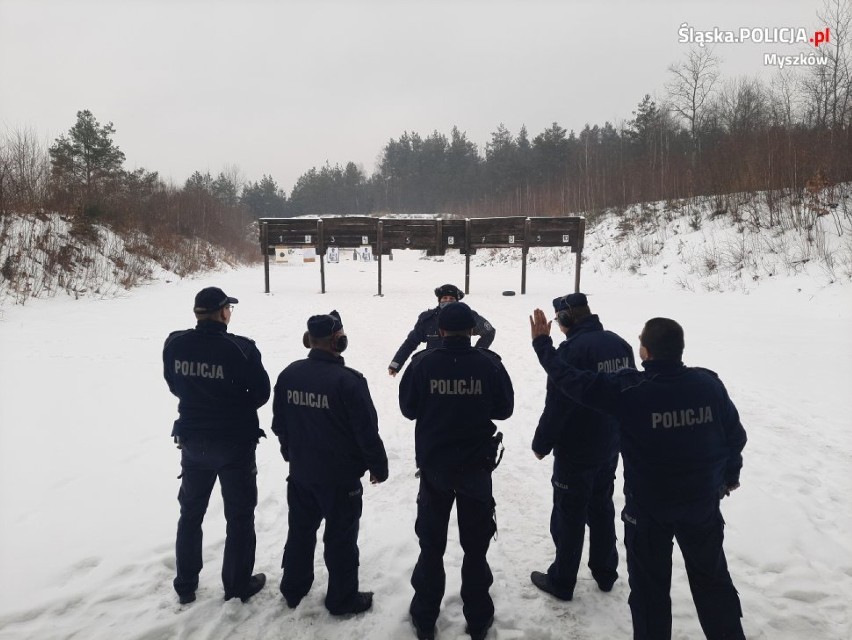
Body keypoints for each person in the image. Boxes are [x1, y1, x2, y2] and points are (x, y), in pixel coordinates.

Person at [530, 310, 747, 640]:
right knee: (713, 584)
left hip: (649, 512)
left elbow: (571, 381)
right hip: (702, 505)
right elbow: (735, 436)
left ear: (644, 352)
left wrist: (543, 344)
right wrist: (729, 475)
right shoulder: (708, 384)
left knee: (649, 592)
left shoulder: (629, 390)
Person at [399, 302, 514, 640]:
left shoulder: (423, 364)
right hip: (476, 471)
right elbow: (504, 408)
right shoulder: (489, 364)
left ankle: (424, 616)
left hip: (435, 469)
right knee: (476, 549)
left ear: (442, 331)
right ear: (472, 332)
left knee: (431, 546)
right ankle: (478, 619)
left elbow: (408, 408)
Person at [271, 310, 389, 616]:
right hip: (340, 481)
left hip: (301, 475)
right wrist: (378, 467)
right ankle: (341, 599)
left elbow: (279, 424)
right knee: (340, 540)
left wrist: (292, 454)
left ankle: (293, 588)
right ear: (339, 340)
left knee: (300, 533)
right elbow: (366, 433)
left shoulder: (289, 375)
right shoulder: (349, 382)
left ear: (309, 340)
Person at [163, 286, 271, 605]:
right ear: (223, 312)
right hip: (233, 443)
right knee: (239, 516)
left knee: (191, 513)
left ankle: (185, 584)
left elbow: (174, 383)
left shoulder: (175, 343)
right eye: (229, 309)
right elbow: (261, 394)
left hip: (193, 442)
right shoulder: (242, 349)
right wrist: (232, 402)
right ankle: (237, 584)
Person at [530, 293, 635, 602]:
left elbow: (558, 404)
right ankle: (605, 572)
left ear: (564, 319)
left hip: (577, 446)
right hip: (609, 442)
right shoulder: (619, 344)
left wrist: (542, 443)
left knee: (569, 513)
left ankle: (562, 580)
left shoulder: (571, 351)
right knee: (601, 506)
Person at [388, 284, 495, 377]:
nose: (448, 301)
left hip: (462, 368)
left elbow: (489, 332)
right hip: (433, 369)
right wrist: (396, 363)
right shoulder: (428, 319)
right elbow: (411, 342)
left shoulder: (467, 316)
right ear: (439, 300)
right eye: (444, 298)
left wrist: (477, 354)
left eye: (451, 299)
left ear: (457, 301)